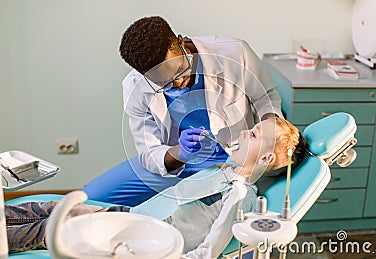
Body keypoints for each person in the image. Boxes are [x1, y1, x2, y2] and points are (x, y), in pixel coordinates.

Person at [5, 118, 306, 258]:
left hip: (143, 240)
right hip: (130, 217)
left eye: (253, 134)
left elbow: (209, 250)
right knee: (58, 207)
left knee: (54, 227)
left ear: (266, 158)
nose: (243, 131)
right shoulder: (219, 171)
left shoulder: (240, 195)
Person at [82, 16, 283, 206]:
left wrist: (270, 130)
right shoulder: (135, 87)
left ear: (180, 42)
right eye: (165, 84)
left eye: (180, 70)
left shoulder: (234, 53)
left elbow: (265, 97)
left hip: (231, 158)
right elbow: (149, 153)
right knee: (90, 197)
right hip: (178, 163)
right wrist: (181, 152)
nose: (178, 83)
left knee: (200, 210)